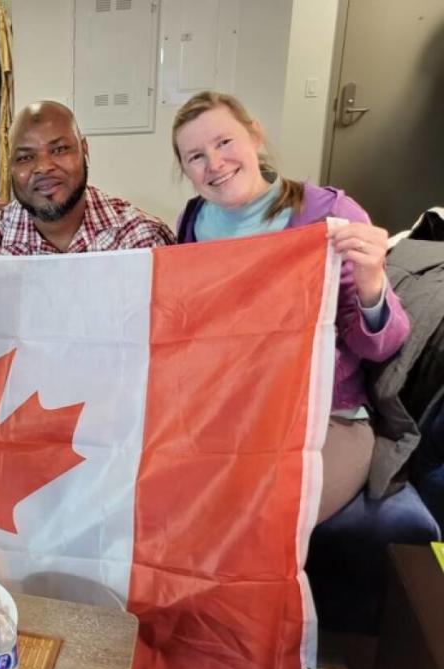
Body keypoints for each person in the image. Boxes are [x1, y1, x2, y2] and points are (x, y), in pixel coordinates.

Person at [171, 91, 410, 522]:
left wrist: (373, 280)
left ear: (255, 136)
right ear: (186, 172)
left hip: (325, 417)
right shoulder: (193, 221)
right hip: (229, 414)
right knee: (177, 510)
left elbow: (380, 347)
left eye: (224, 142)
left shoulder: (328, 214)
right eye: (196, 156)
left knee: (261, 524)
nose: (215, 163)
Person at [0, 100, 174, 255]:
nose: (43, 167)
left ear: (85, 150)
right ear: (10, 167)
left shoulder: (143, 242)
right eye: (25, 157)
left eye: (59, 149)